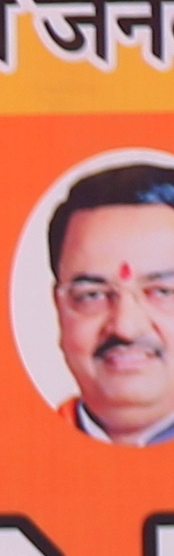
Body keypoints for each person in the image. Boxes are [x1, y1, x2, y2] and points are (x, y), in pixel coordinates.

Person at [44, 163, 174, 447]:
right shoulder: (18, 454)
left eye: (163, 292)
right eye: (93, 295)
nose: (126, 328)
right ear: (59, 308)